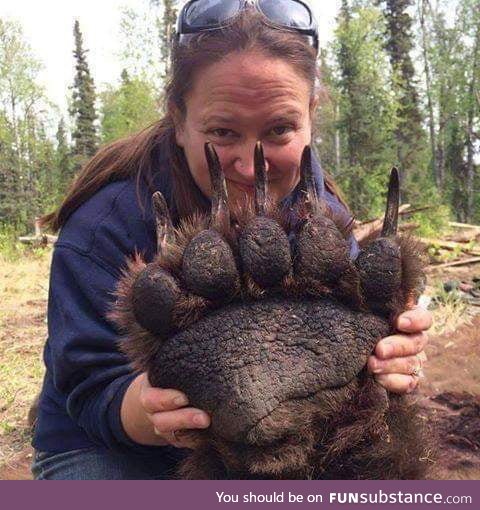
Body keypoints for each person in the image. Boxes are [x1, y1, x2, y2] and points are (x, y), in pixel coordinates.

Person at [32, 0, 431, 480]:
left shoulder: (321, 221)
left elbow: (360, 359)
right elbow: (89, 389)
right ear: (179, 121)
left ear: (311, 115)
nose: (249, 164)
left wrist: (389, 359)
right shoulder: (105, 227)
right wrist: (152, 405)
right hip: (111, 443)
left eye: (280, 129)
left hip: (262, 432)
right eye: (222, 132)